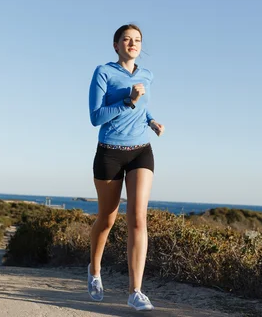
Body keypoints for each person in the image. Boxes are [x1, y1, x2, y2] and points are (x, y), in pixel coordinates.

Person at [87, 24, 165, 311]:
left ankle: (135, 291)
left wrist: (152, 121)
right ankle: (94, 270)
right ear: (116, 44)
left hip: (141, 151)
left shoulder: (147, 75)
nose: (133, 44)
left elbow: (143, 107)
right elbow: (96, 117)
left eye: (137, 40)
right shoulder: (103, 72)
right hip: (109, 152)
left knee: (138, 218)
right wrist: (128, 101)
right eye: (127, 39)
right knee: (107, 219)